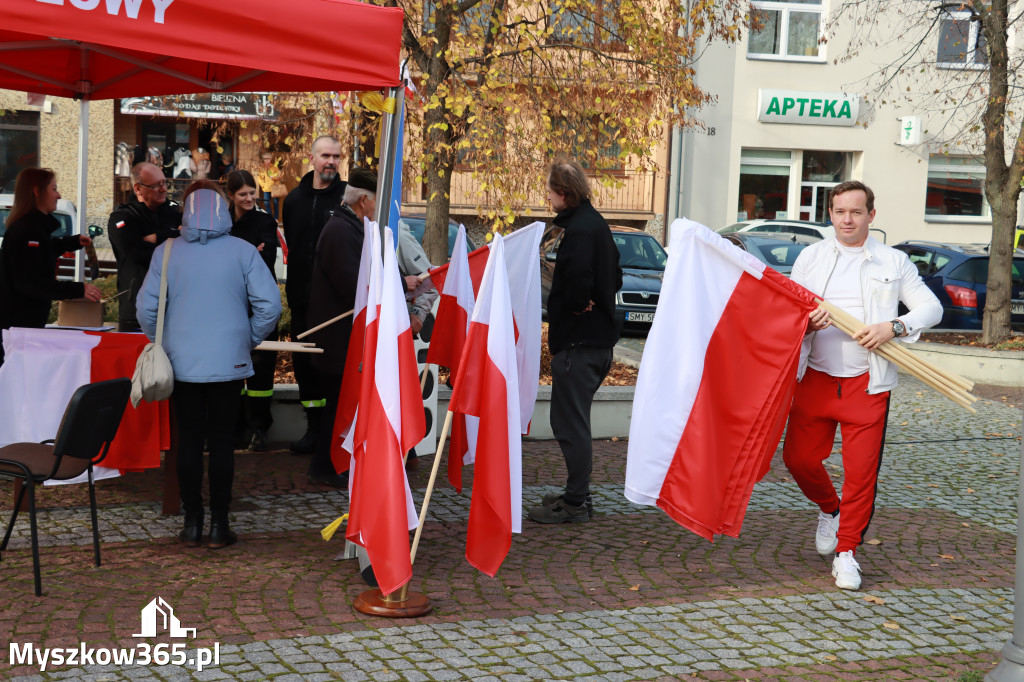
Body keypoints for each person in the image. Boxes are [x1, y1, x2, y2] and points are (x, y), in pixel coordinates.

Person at [783, 180, 942, 591]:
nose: (847, 219)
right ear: (830, 215)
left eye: (856, 212)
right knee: (799, 460)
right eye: (840, 212)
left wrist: (894, 327)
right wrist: (806, 322)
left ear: (871, 215)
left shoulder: (893, 261)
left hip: (867, 383)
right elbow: (789, 314)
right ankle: (829, 510)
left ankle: (847, 553)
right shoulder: (810, 257)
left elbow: (931, 307)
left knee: (861, 475)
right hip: (815, 377)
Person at [137, 182, 281, 549]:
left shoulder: (167, 252)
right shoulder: (243, 251)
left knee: (187, 442)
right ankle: (220, 524)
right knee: (221, 443)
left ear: (186, 212)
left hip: (180, 363)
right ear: (223, 209)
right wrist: (246, 339)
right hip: (229, 362)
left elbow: (146, 308)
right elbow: (270, 306)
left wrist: (161, 340)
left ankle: (191, 522)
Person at [527, 160, 622, 524]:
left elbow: (581, 280)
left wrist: (579, 304)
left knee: (570, 424)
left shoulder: (580, 231)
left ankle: (576, 503)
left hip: (580, 345)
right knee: (572, 421)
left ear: (563, 193)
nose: (548, 196)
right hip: (594, 343)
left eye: (550, 190)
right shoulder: (594, 223)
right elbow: (616, 273)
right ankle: (575, 494)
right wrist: (596, 297)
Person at [305, 167, 378, 487]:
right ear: (363, 200)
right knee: (338, 406)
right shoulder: (341, 231)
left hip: (342, 338)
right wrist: (397, 284)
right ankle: (328, 467)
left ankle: (328, 464)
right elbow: (354, 285)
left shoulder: (350, 226)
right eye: (377, 202)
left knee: (338, 406)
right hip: (337, 340)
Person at [280, 136, 346, 455]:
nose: (330, 162)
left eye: (336, 156)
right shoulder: (293, 200)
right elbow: (293, 244)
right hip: (302, 300)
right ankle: (314, 428)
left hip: (335, 305)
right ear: (312, 158)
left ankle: (332, 433)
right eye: (325, 156)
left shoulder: (348, 198)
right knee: (304, 367)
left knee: (331, 367)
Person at [0, 168, 102, 365]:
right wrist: (78, 289)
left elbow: (41, 253)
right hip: (18, 329)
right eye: (54, 188)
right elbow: (30, 283)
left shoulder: (32, 229)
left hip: (22, 327)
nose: (59, 195)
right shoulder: (28, 231)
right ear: (37, 191)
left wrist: (70, 242)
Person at [227, 169, 281, 452]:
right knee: (230, 370)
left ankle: (259, 428)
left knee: (261, 372)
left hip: (259, 306)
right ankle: (232, 429)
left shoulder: (265, 220)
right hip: (230, 305)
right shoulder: (223, 222)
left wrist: (235, 254)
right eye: (243, 194)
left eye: (252, 193)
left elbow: (267, 255)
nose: (249, 198)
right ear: (231, 195)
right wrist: (250, 251)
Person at [108, 162, 181, 332]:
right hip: (136, 312)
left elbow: (189, 241)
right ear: (138, 189)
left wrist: (158, 237)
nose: (163, 189)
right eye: (156, 185)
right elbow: (137, 253)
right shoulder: (123, 217)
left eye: (164, 183)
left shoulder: (175, 213)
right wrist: (173, 238)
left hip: (173, 310)